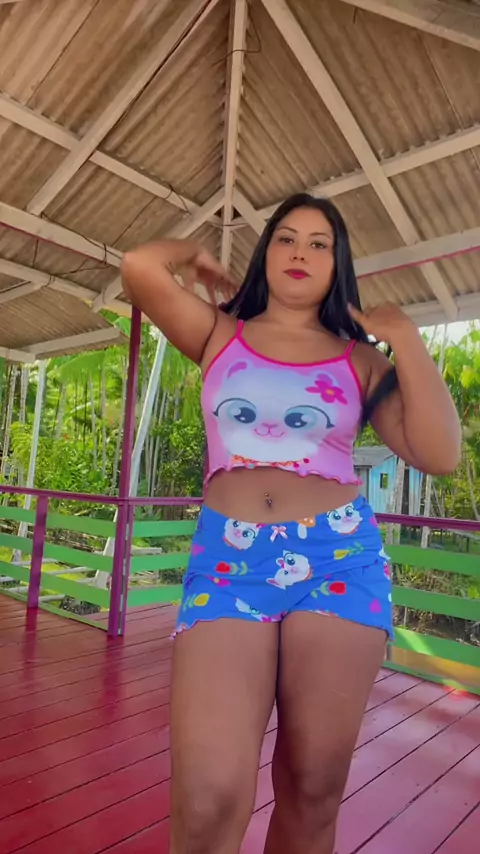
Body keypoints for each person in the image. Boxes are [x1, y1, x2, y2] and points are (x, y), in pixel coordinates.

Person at [121, 193, 461, 854]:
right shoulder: (219, 333)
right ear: (265, 254)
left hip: (339, 562)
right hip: (228, 564)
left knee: (313, 786)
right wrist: (193, 255)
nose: (300, 252)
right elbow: (138, 267)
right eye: (286, 238)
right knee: (207, 795)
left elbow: (439, 453)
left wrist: (407, 340)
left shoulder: (361, 361)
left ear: (338, 266)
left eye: (318, 243)